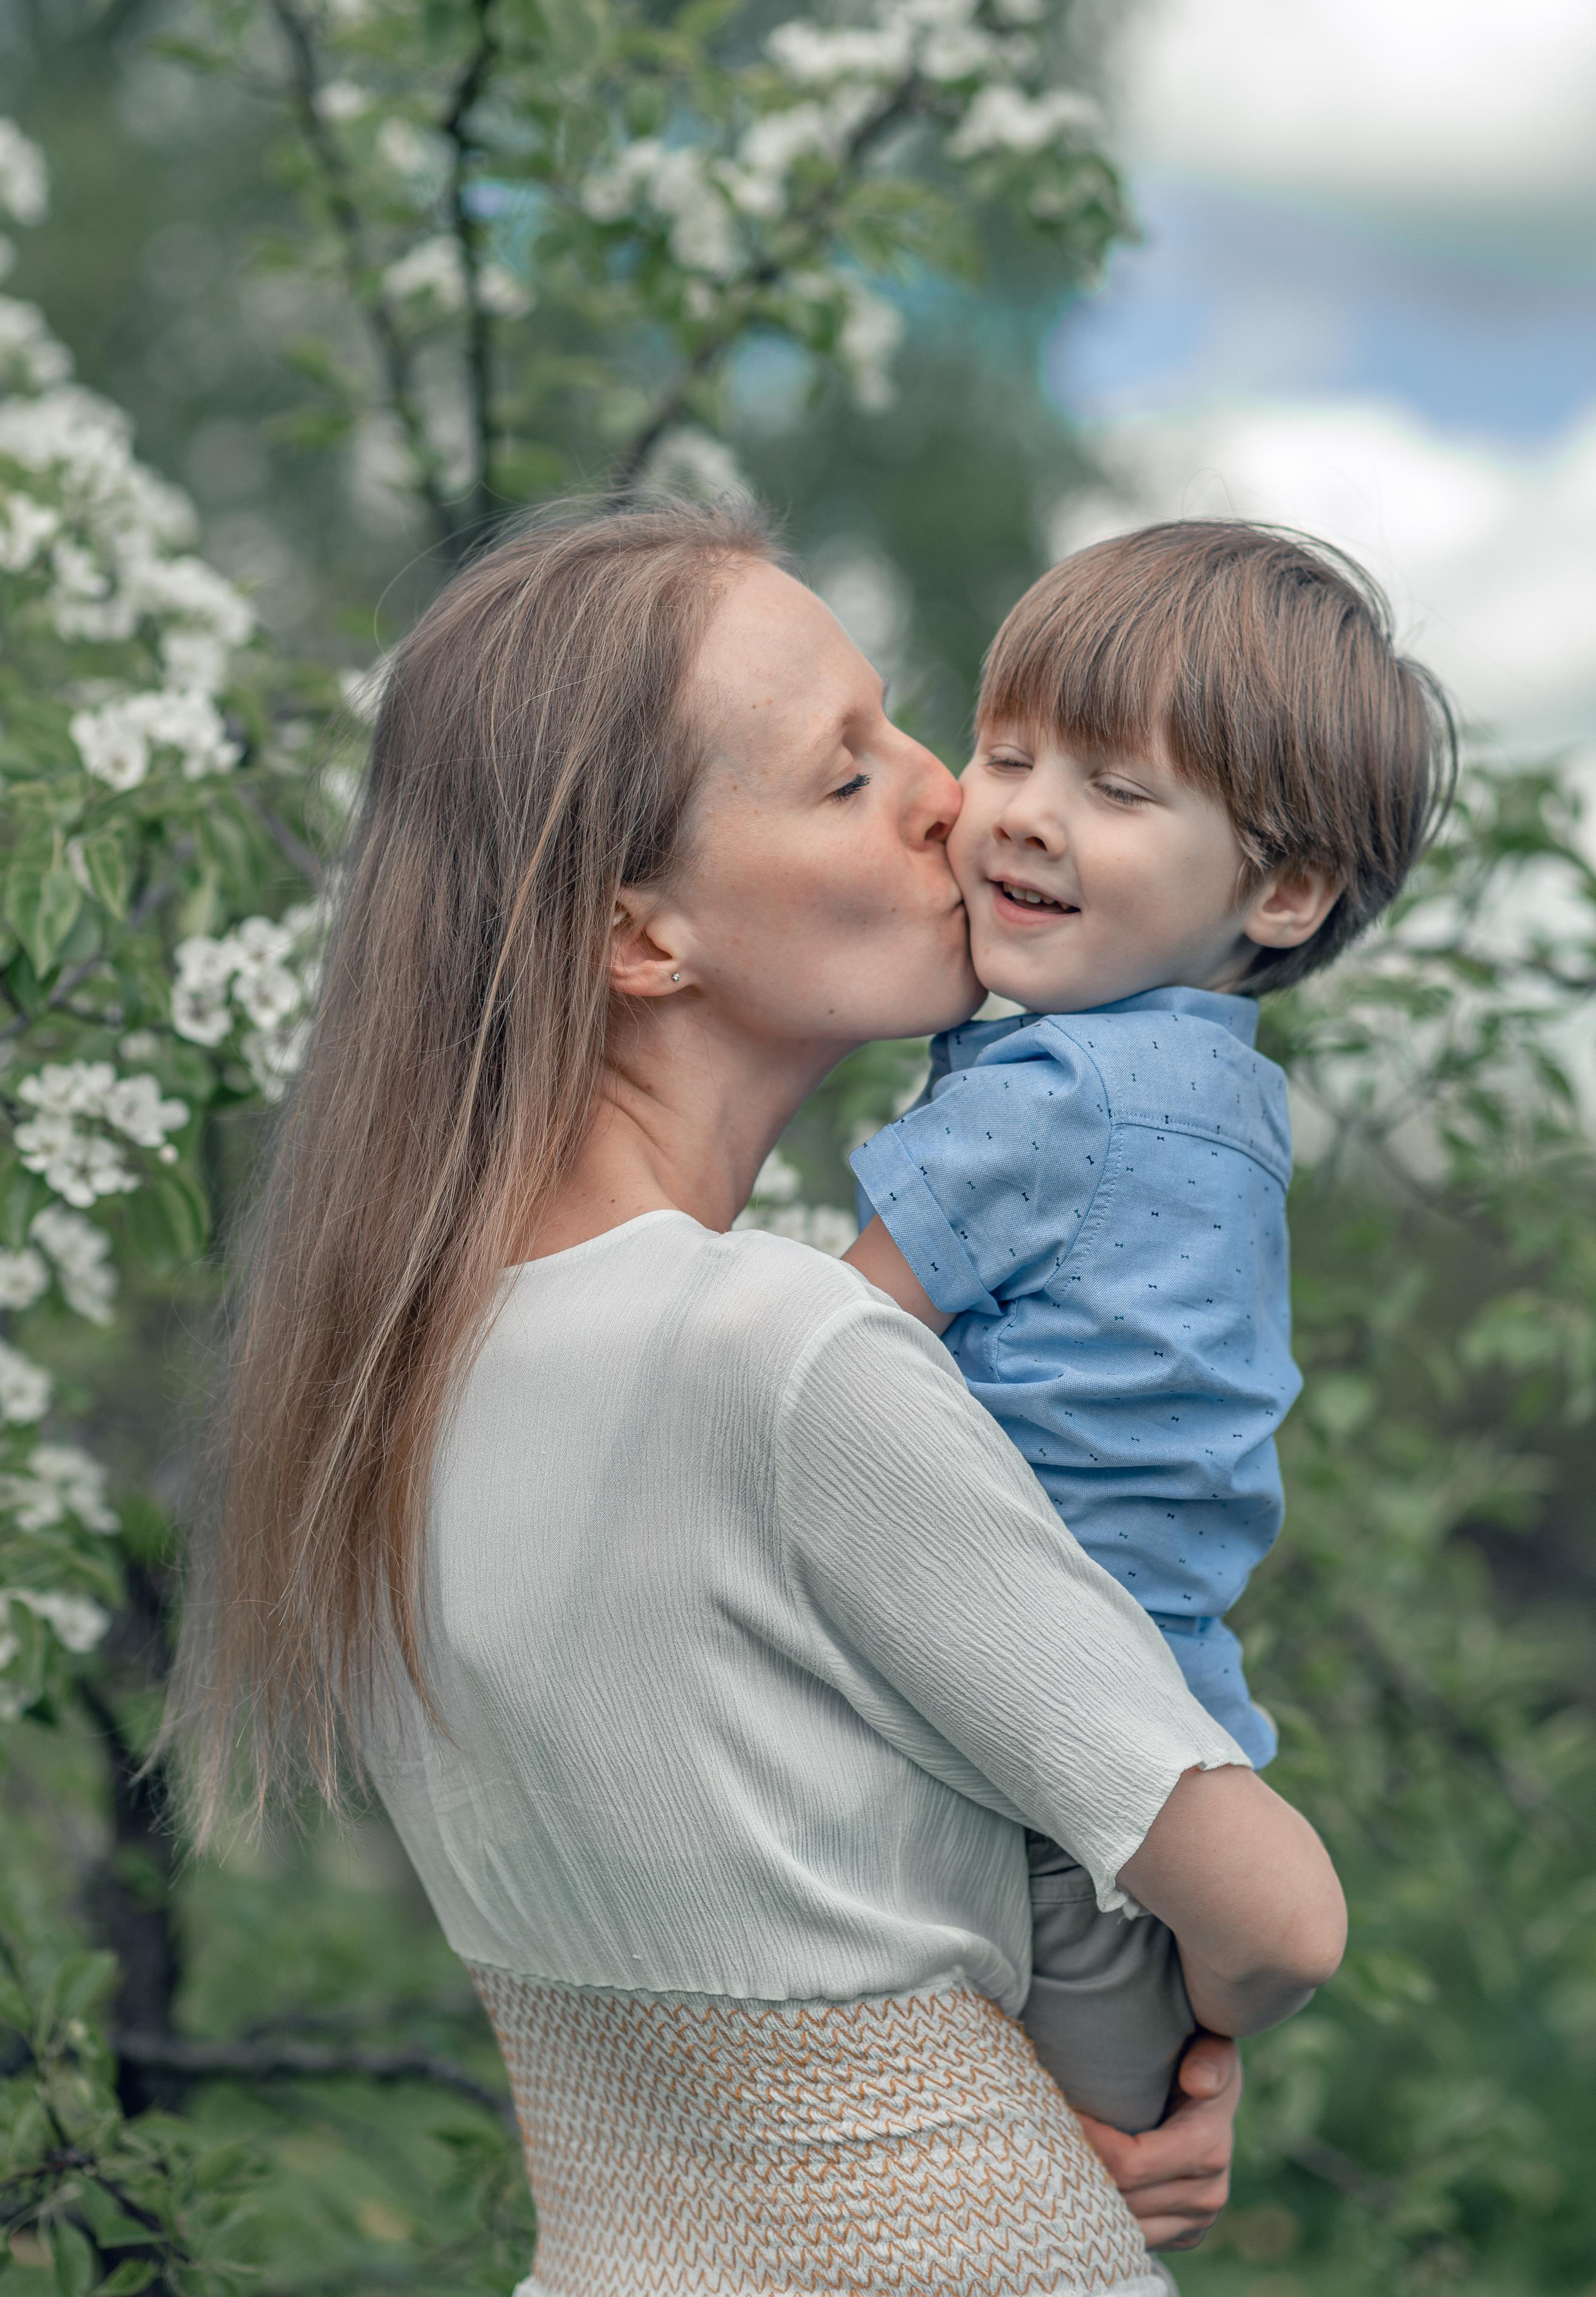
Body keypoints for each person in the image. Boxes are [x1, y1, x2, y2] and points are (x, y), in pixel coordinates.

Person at [182, 502, 1347, 2297]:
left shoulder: (383, 1389)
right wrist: (1167, 2059)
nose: (949, 799)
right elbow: (1281, 1916)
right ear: (640, 934)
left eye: (909, 728)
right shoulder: (784, 1352)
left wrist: (1047, 2071)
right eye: (842, 773)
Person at [846, 520, 1451, 2133]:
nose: (1024, 813)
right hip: (1165, 1726)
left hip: (1006, 1720)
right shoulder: (1226, 1101)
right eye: (1006, 752)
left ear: (1285, 888)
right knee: (1112, 2143)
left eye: (1116, 788)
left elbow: (818, 1357)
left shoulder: (1057, 1090)